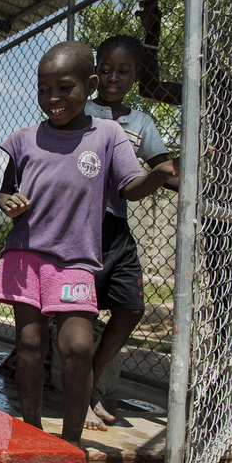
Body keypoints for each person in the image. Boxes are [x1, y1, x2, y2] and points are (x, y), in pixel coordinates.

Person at [0, 41, 177, 463]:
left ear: (89, 86)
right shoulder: (23, 138)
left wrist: (161, 172)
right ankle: (32, 435)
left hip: (77, 261)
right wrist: (7, 201)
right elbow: (6, 190)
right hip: (27, 256)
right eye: (44, 88)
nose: (53, 97)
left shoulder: (107, 135)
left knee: (76, 349)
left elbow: (130, 187)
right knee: (29, 346)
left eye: (64, 88)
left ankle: (72, 448)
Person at [83, 34, 178, 431]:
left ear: (135, 76)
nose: (112, 77)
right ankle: (81, 398)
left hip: (115, 224)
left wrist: (192, 175)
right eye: (105, 70)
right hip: (80, 223)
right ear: (94, 73)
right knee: (80, 313)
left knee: (131, 307)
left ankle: (90, 385)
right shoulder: (81, 109)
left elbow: (165, 170)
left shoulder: (140, 123)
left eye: (122, 71)